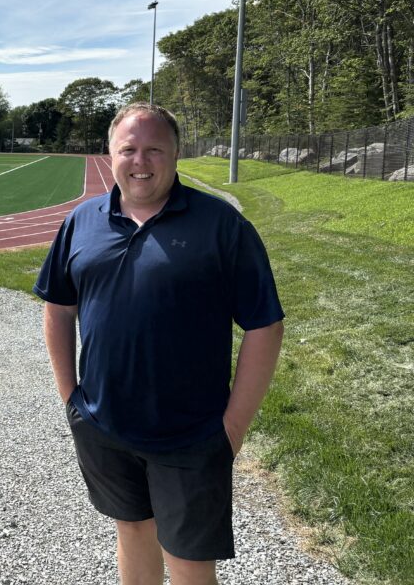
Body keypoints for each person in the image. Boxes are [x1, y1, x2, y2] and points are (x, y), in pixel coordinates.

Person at [34, 103, 284, 585]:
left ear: (175, 154)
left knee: (189, 560)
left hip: (191, 432)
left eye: (154, 149)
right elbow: (59, 307)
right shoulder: (82, 222)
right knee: (131, 530)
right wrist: (72, 399)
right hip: (104, 423)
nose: (140, 160)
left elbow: (264, 326)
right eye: (128, 149)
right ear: (110, 154)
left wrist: (232, 427)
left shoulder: (221, 226)